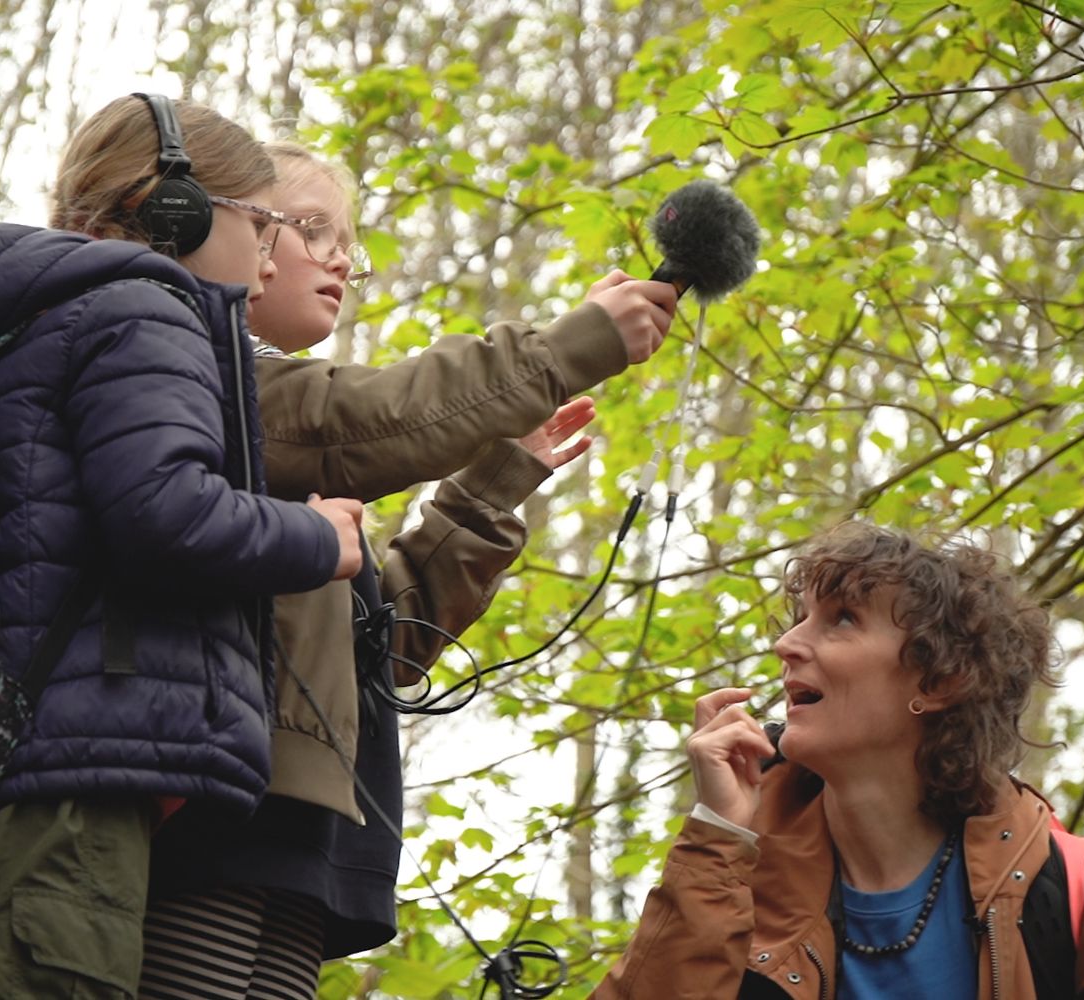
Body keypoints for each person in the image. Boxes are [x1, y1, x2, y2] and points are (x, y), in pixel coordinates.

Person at [0, 94, 364, 998]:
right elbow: (166, 511)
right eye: (264, 222)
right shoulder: (143, 308)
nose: (273, 252)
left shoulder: (37, 314)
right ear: (182, 211)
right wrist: (317, 537)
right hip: (62, 785)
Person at [139, 142, 680, 998]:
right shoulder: (209, 383)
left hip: (305, 824)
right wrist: (566, 347)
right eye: (309, 227)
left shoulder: (283, 440)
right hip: (216, 801)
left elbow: (379, 654)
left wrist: (494, 485)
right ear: (235, 232)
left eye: (347, 237)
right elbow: (370, 419)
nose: (339, 257)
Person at [594, 521, 1084, 999]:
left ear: (939, 680)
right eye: (802, 617)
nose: (786, 644)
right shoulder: (737, 868)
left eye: (842, 620)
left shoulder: (1065, 886)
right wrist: (717, 832)